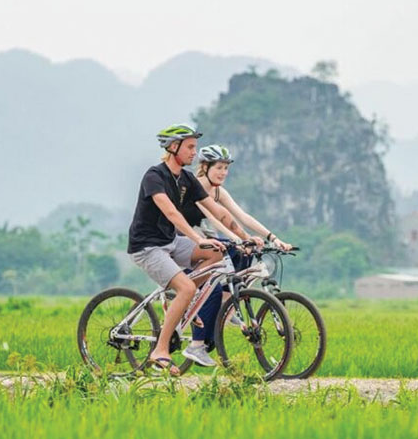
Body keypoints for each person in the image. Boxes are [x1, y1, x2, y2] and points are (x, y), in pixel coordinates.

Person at [126, 124, 251, 375]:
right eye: (190, 147)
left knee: (218, 253)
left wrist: (247, 238)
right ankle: (160, 350)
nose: (195, 153)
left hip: (170, 243)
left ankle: (188, 299)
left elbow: (220, 213)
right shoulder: (154, 176)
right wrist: (197, 238)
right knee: (186, 286)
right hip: (147, 246)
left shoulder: (187, 179)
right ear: (174, 148)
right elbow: (171, 213)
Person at [175, 144, 293, 364]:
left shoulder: (218, 191)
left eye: (226, 168)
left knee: (243, 257)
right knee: (229, 260)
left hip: (205, 240)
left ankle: (227, 307)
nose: (223, 173)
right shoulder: (196, 187)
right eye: (219, 167)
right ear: (205, 167)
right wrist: (239, 240)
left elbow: (241, 216)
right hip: (184, 241)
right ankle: (198, 342)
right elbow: (219, 219)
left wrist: (274, 238)